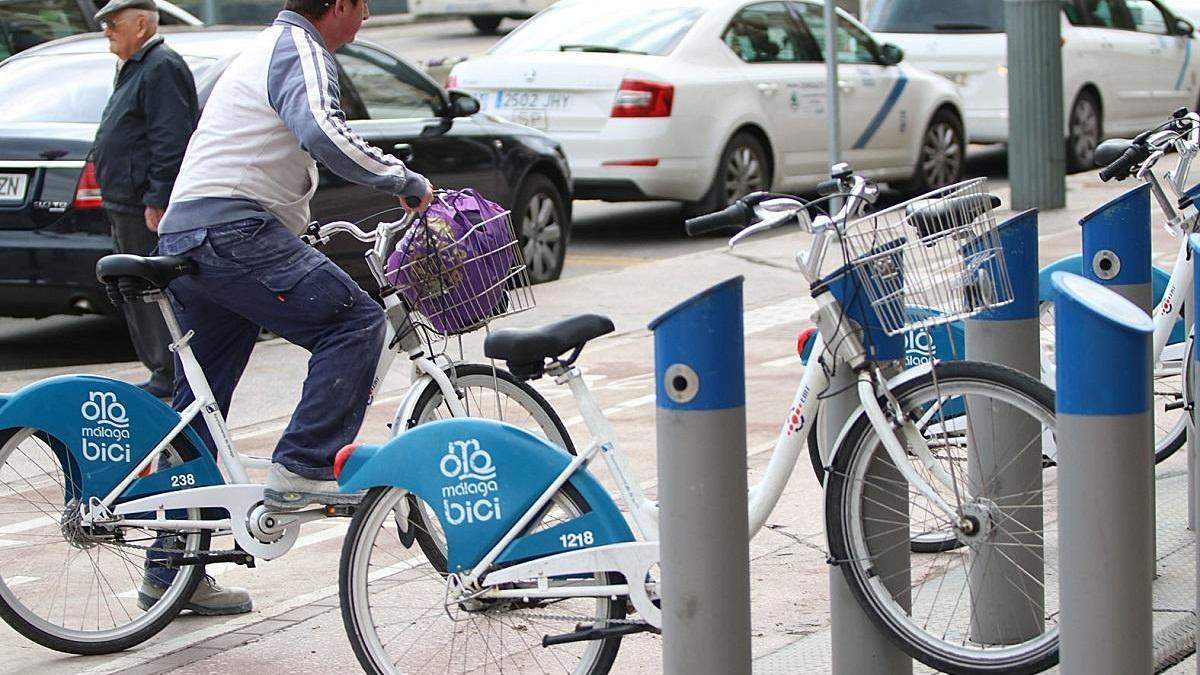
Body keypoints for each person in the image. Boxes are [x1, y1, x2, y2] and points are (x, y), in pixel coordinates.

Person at [138, 0, 433, 615]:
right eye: (365, 4)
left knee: (197, 411)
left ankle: (168, 576)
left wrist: (298, 226)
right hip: (232, 231)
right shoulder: (300, 48)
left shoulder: (259, 49)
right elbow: (323, 133)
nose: (370, 15)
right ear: (340, 5)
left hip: (194, 232)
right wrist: (403, 180)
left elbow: (252, 152)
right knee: (355, 322)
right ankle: (304, 465)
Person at [92, 0, 197, 399]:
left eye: (112, 23)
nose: (106, 30)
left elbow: (170, 138)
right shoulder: (138, 66)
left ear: (140, 25)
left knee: (148, 288)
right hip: (126, 198)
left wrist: (158, 197)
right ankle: (159, 370)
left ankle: (167, 374)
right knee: (133, 289)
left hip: (142, 201)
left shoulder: (160, 66)